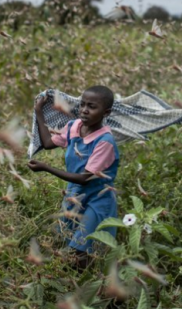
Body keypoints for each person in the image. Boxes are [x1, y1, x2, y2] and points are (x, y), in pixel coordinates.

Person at [27, 85, 120, 270]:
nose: (84, 110)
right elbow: (47, 143)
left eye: (92, 107)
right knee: (64, 241)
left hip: (97, 199)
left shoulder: (105, 142)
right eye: (82, 104)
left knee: (82, 250)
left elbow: (84, 178)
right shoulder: (74, 126)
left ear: (106, 112)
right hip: (74, 196)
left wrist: (47, 168)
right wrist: (39, 111)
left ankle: (87, 288)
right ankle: (72, 284)